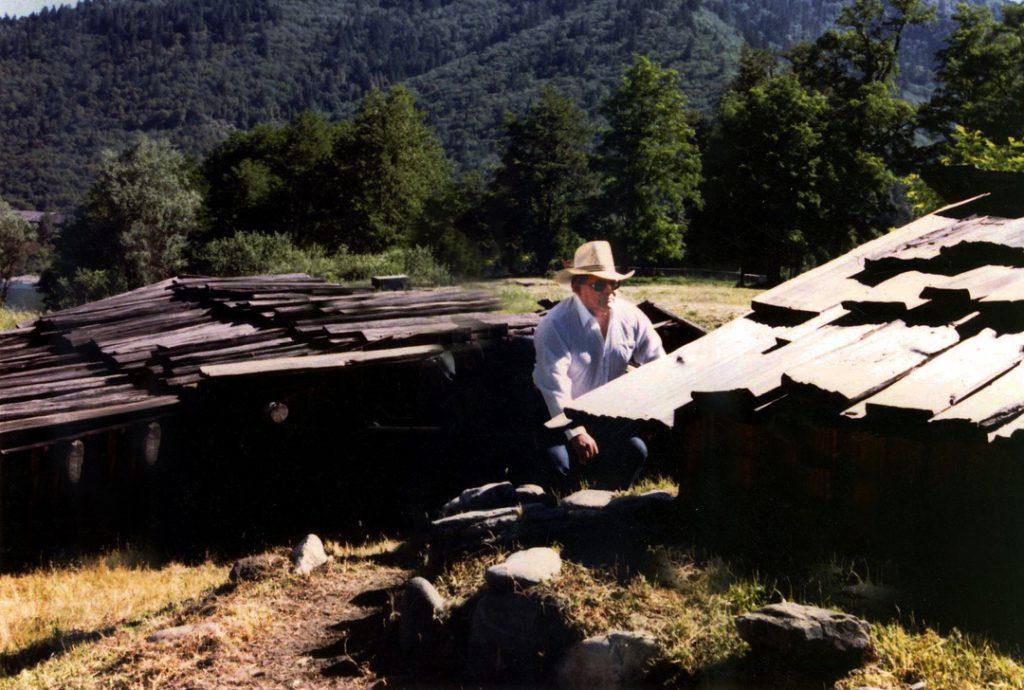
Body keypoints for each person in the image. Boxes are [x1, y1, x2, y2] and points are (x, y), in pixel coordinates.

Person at [532, 240, 665, 492]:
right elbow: (554, 387)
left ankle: (603, 507)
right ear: (576, 287)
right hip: (557, 414)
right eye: (599, 284)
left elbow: (658, 363)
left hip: (605, 413)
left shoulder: (631, 317)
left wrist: (654, 413)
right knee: (558, 466)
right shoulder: (556, 325)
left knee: (635, 451)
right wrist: (575, 432)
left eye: (614, 283)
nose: (609, 291)